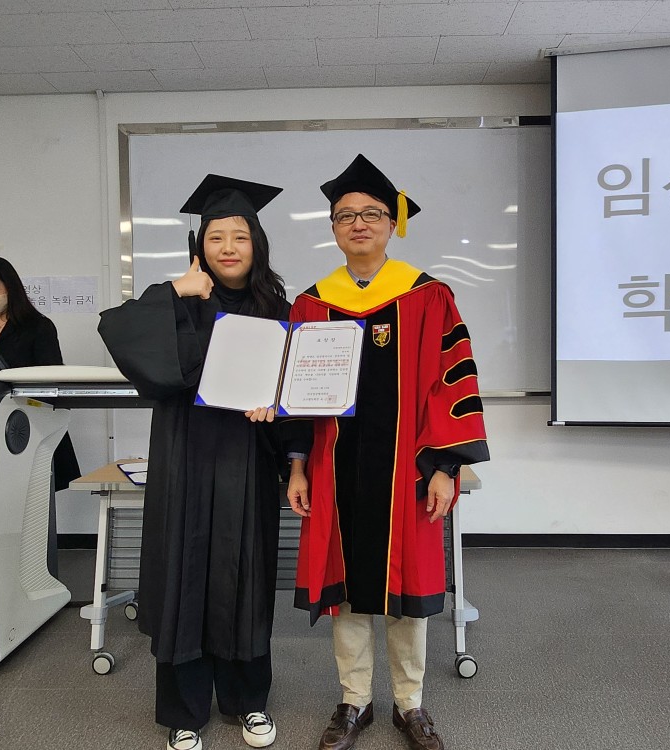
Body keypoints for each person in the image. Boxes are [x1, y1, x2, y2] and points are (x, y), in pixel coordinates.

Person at [286, 155, 490, 750]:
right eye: (345, 215)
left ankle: (409, 702)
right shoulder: (311, 304)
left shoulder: (429, 296)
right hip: (335, 469)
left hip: (409, 471)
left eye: (372, 213)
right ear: (332, 227)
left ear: (393, 223)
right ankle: (354, 700)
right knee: (347, 589)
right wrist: (297, 465)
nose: (359, 223)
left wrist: (446, 466)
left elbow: (452, 383)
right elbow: (293, 395)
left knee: (407, 590)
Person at [97, 175, 297, 750]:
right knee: (183, 579)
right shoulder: (179, 301)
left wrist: (279, 413)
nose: (228, 247)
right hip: (185, 457)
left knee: (244, 579)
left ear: (257, 244)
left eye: (240, 236)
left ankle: (247, 702)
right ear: (199, 246)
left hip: (246, 461)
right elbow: (118, 330)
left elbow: (298, 392)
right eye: (216, 237)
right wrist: (174, 288)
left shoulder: (278, 310)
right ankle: (184, 713)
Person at [0, 256, 81, 492]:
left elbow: (52, 375)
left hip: (29, 422)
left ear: (10, 287)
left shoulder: (38, 326)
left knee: (32, 493)